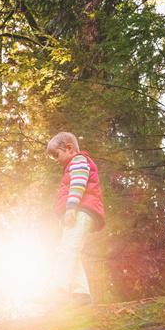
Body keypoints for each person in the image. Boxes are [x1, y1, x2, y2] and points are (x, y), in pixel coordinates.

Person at [43, 131, 105, 312]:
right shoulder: (74, 162)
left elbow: (79, 183)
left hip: (80, 211)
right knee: (73, 251)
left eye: (56, 154)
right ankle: (81, 296)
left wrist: (71, 208)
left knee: (67, 249)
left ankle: (57, 290)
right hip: (80, 211)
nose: (55, 159)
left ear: (69, 148)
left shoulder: (78, 161)